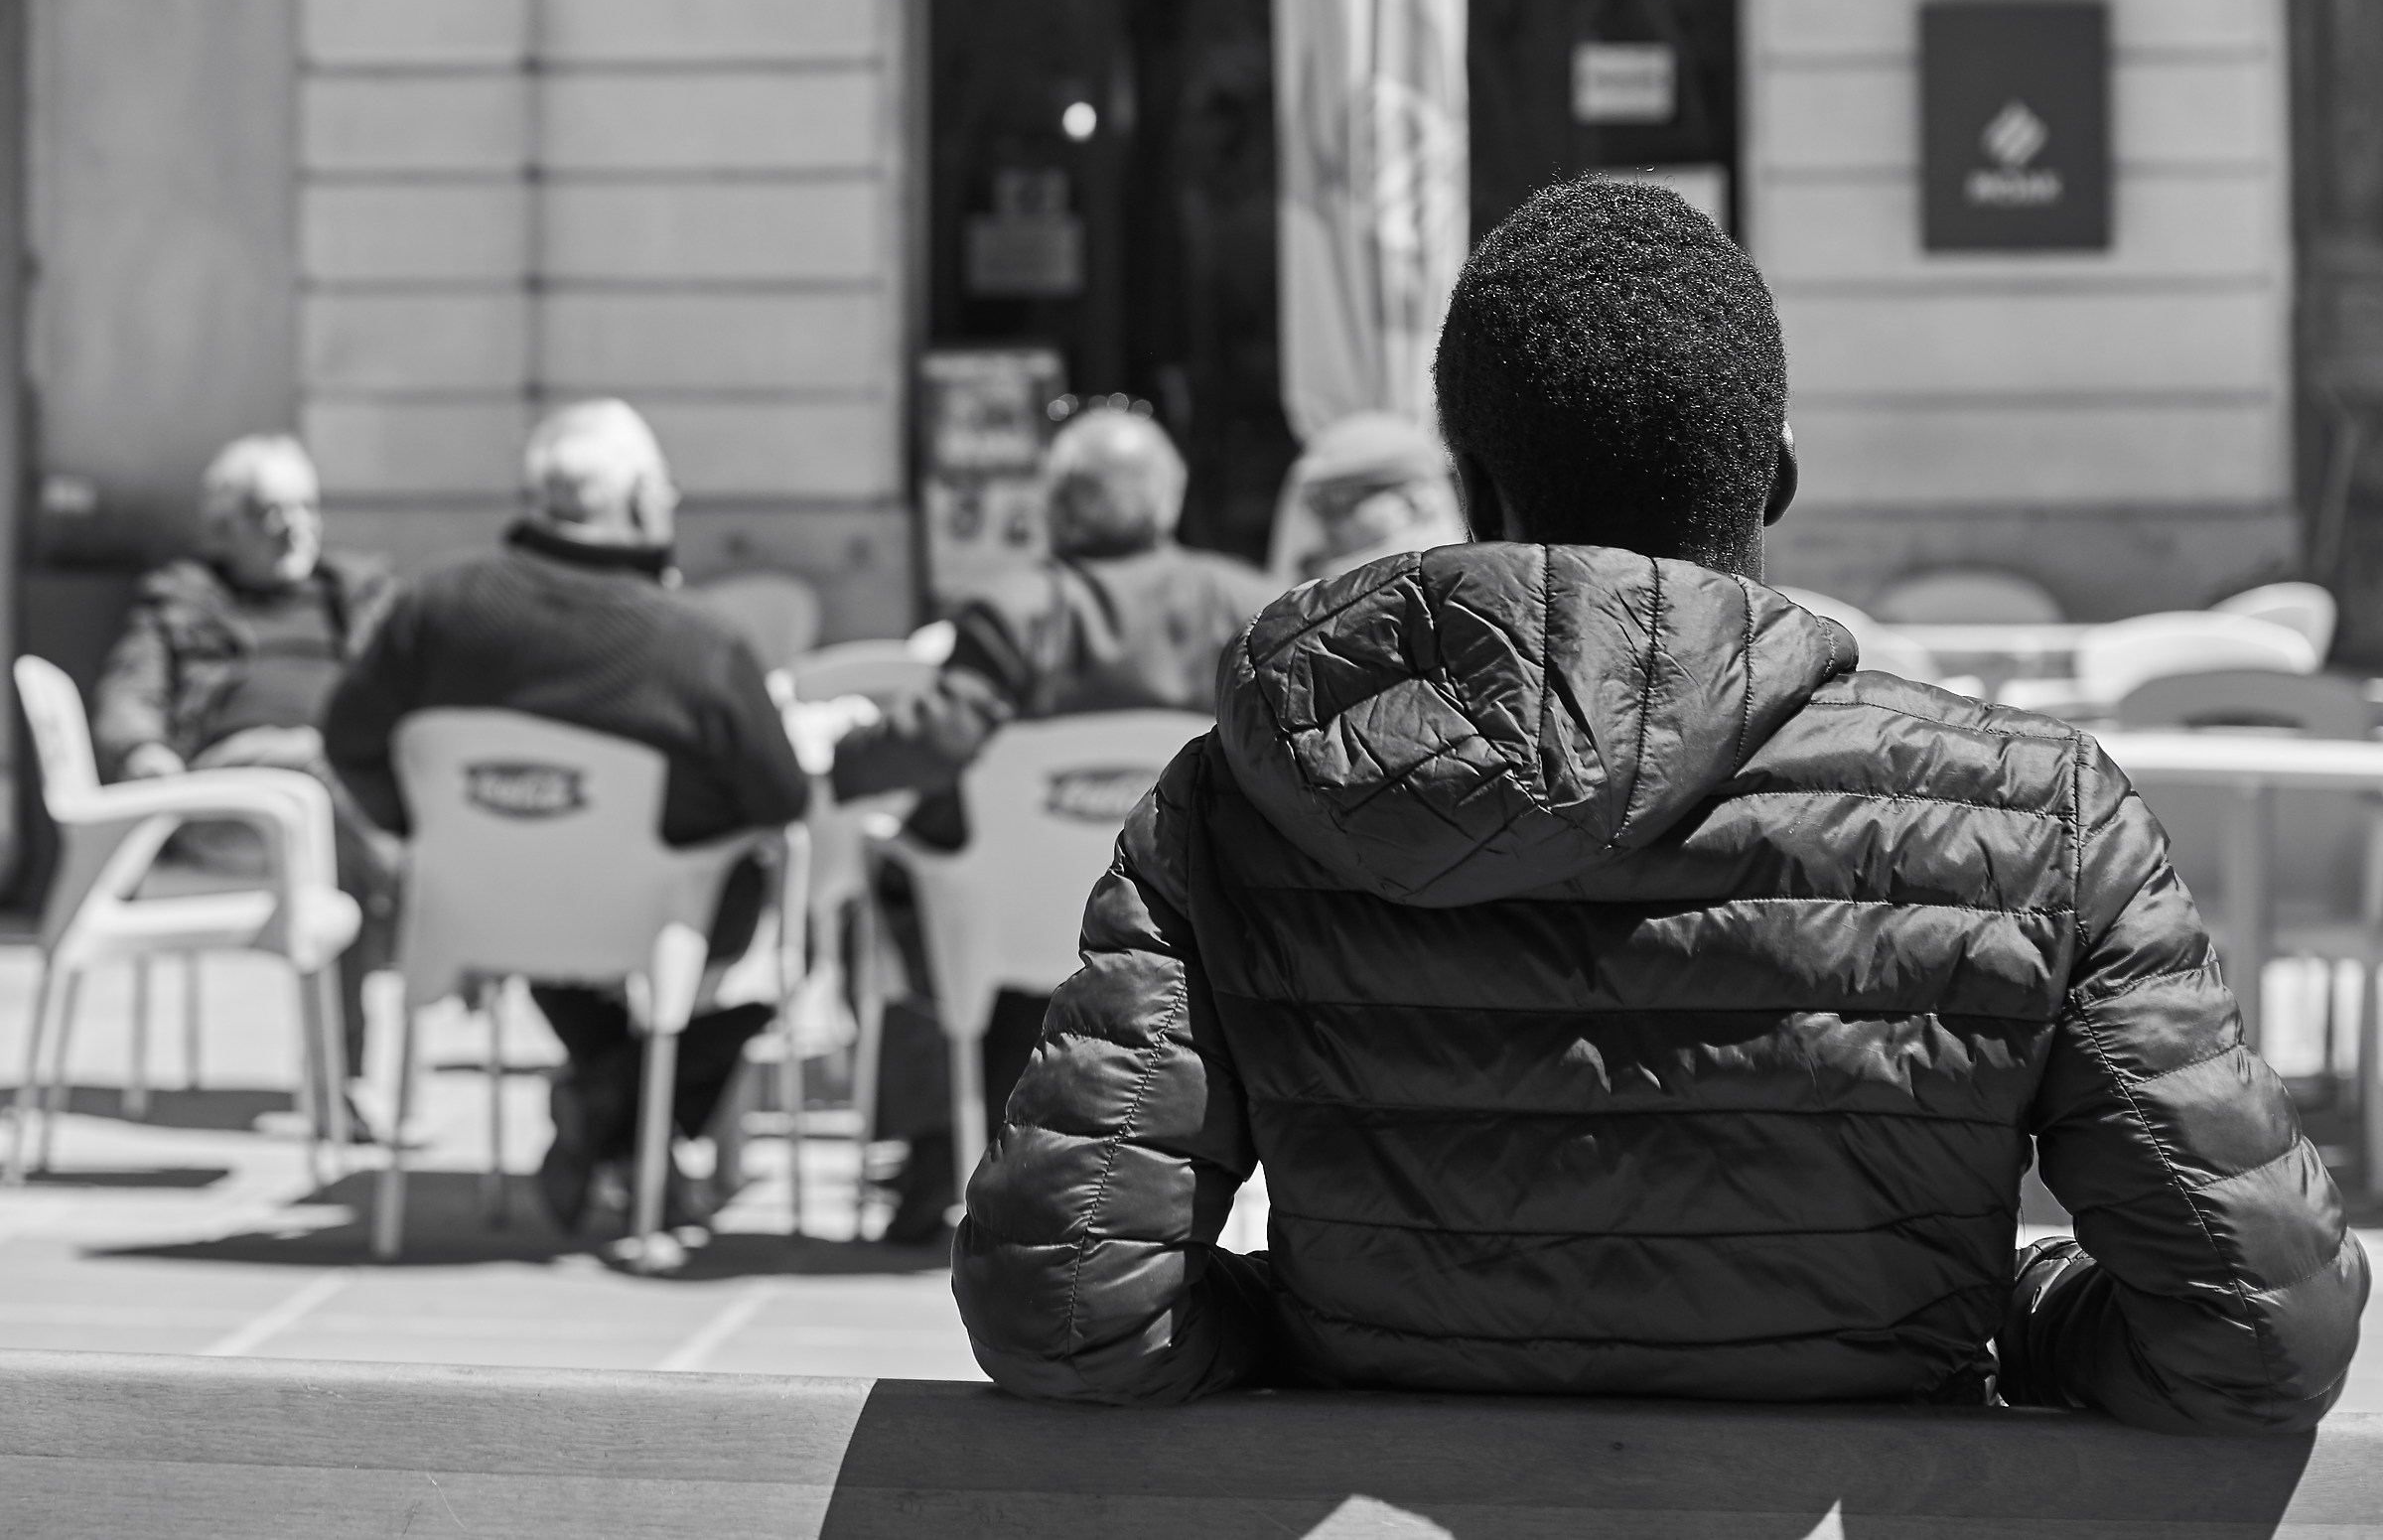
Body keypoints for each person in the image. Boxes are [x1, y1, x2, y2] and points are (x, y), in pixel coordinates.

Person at [952, 179, 2369, 1432]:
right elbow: (2259, 1332)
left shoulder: (1241, 805)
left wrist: (1302, 1329)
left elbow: (1069, 1302)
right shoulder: (2037, 819)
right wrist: (2013, 1309)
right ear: (1778, 474)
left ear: (1468, 484)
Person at [323, 399, 810, 1235]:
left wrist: (426, 833)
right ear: (638, 504)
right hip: (661, 919)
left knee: (556, 893)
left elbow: (346, 734)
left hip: (480, 910)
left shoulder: (435, 609)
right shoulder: (697, 643)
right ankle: (620, 1104)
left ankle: (603, 1103)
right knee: (773, 910)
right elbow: (781, 799)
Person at [834, 406, 1280, 1242]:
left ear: (1057, 507)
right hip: (1189, 926)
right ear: (1169, 500)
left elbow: (933, 739)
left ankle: (941, 1146)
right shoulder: (1241, 604)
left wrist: (840, 759)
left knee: (899, 888)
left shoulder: (1011, 611)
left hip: (1007, 936)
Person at [92, 435, 398, 1112]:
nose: (296, 526)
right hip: (231, 795)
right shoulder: (182, 598)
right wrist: (145, 752)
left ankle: (339, 1079)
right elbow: (129, 695)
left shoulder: (361, 593)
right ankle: (413, 913)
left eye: (307, 506)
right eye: (271, 511)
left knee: (338, 815)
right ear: (223, 525)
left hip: (341, 804)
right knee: (327, 777)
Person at [1266, 410, 1469, 584]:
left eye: (1341, 500)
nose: (1327, 520)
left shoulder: (1452, 590)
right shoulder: (1313, 584)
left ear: (1414, 500)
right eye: (1316, 504)